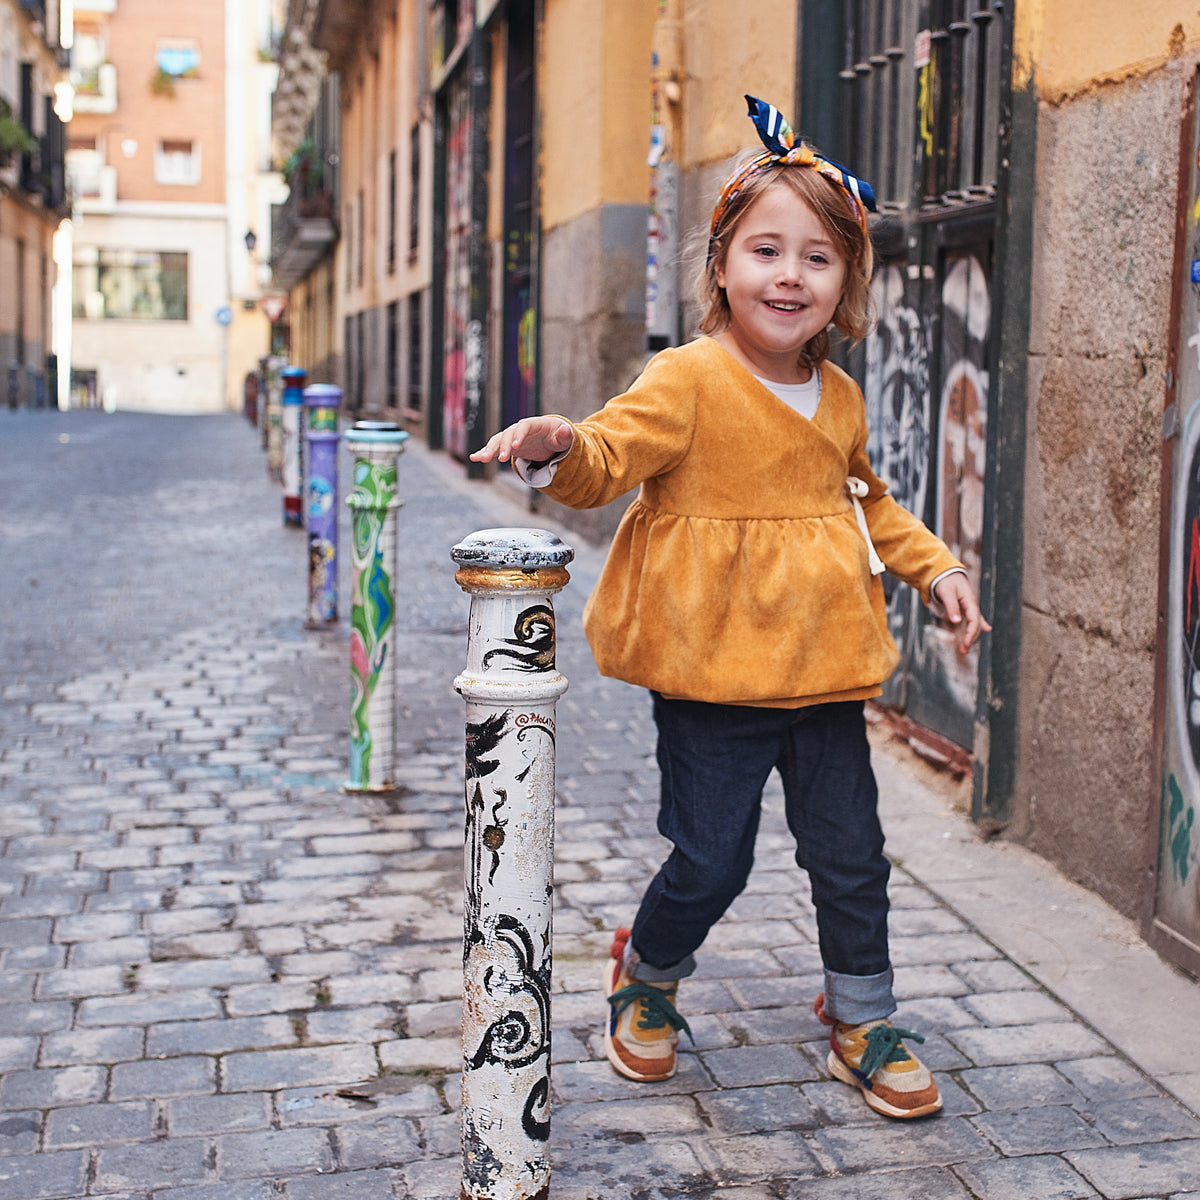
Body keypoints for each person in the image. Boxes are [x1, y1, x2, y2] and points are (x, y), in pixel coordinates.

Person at [471, 95, 990, 1121]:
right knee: (712, 857)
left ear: (846, 283)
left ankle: (862, 1014)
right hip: (714, 672)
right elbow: (611, 455)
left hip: (823, 669)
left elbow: (870, 500)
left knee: (849, 854)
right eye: (765, 251)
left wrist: (934, 569)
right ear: (721, 268)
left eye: (817, 258)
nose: (788, 276)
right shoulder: (691, 379)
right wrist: (560, 445)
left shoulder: (836, 396)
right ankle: (649, 975)